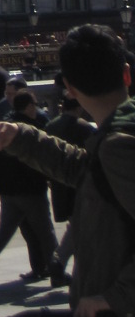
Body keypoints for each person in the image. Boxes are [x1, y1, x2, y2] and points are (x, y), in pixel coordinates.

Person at [0, 24, 135, 317]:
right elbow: (86, 170)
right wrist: (20, 136)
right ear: (126, 74)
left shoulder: (119, 146)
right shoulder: (116, 136)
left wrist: (115, 297)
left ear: (69, 89)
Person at [0, 90, 58, 291]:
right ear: (29, 107)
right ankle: (57, 272)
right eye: (34, 105)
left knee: (4, 232)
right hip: (30, 188)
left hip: (8, 190)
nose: (37, 109)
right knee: (46, 232)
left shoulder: (4, 125)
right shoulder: (30, 128)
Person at [47, 90, 94, 286]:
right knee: (81, 227)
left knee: (77, 225)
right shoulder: (85, 128)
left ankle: (59, 263)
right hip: (80, 184)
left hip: (59, 184)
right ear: (78, 107)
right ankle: (60, 262)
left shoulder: (51, 126)